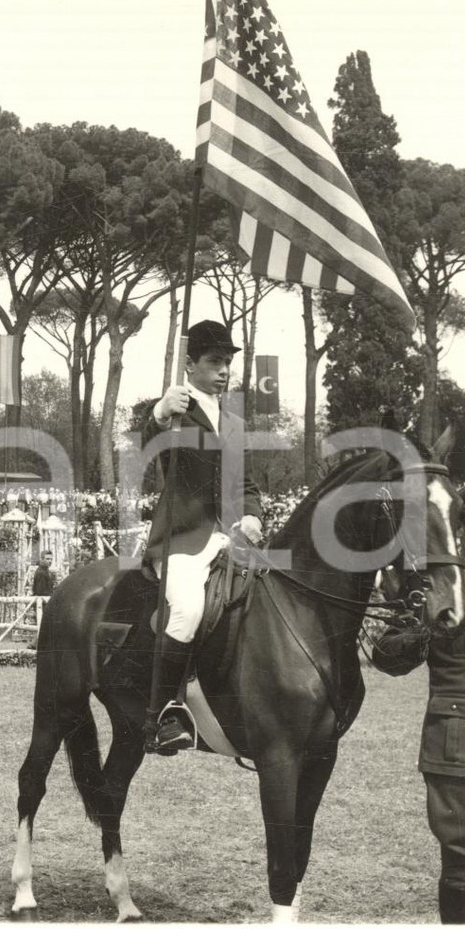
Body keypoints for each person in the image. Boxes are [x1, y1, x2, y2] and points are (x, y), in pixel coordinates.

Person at [142, 319, 264, 755]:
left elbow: (247, 484)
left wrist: (252, 518)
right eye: (214, 361)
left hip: (228, 539)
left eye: (228, 362)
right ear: (190, 364)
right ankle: (161, 714)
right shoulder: (175, 410)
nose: (224, 370)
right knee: (189, 609)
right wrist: (158, 414)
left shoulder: (233, 422)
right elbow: (147, 447)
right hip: (181, 538)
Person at [371, 484, 465, 924]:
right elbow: (385, 656)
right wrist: (419, 632)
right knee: (463, 864)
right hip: (458, 740)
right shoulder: (433, 585)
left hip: (455, 738)